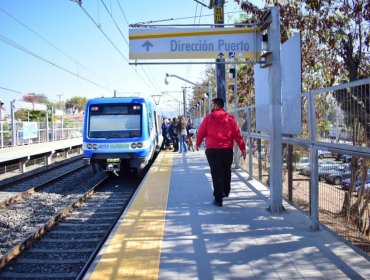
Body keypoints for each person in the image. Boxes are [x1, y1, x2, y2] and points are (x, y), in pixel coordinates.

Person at [195, 98, 246, 207]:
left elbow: (201, 132)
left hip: (212, 150)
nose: (211, 106)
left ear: (216, 105)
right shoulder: (230, 118)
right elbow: (237, 134)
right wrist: (243, 148)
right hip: (227, 150)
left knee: (216, 173)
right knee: (226, 171)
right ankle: (226, 191)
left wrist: (197, 143)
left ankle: (218, 199)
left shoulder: (209, 118)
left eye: (212, 104)